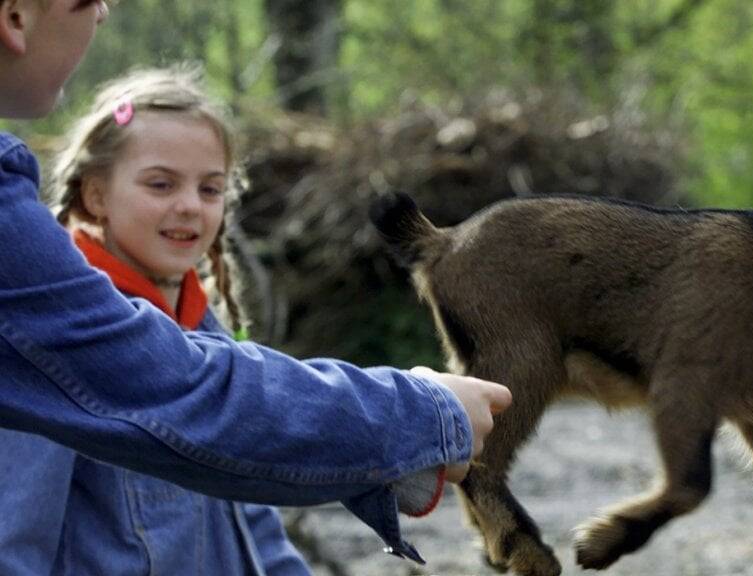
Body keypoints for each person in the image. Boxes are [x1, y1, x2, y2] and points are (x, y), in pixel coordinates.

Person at [0, 0, 511, 568]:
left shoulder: (200, 324)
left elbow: (253, 513)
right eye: (161, 184)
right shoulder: (46, 344)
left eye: (210, 189)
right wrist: (422, 415)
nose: (189, 207)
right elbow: (15, 540)